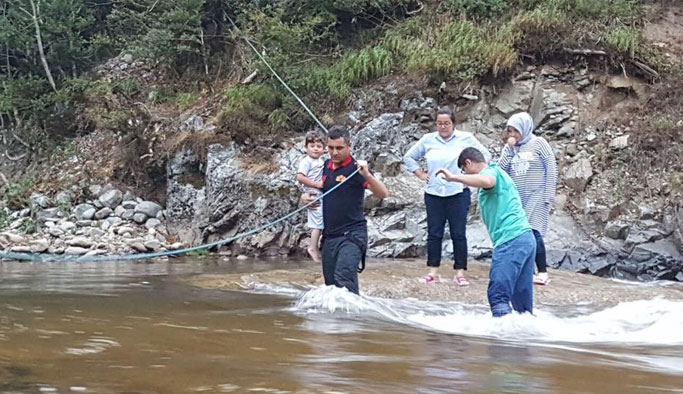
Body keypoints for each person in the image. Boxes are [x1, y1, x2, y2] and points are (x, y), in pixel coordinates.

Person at [436, 147, 535, 317]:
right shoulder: (501, 173)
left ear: (468, 163)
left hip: (510, 240)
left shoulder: (491, 172)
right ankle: (526, 338)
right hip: (526, 238)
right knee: (522, 306)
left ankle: (500, 339)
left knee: (498, 296)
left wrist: (454, 178)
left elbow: (487, 181)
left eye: (464, 170)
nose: (466, 176)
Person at [403, 107, 491, 285]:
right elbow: (409, 157)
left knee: (458, 233)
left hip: (458, 192)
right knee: (434, 233)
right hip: (434, 192)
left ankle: (460, 273)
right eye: (439, 123)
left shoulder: (465, 139)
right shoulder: (428, 140)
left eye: (446, 123)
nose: (443, 127)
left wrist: (471, 177)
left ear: (453, 124)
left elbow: (486, 156)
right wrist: (420, 174)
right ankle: (432, 272)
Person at [302, 126, 389, 295]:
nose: (334, 152)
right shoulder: (325, 166)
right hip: (329, 236)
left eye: (339, 148)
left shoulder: (356, 170)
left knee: (344, 278)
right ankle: (338, 321)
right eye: (331, 148)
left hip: (352, 235)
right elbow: (311, 190)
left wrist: (367, 175)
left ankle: (352, 318)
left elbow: (383, 194)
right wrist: (304, 198)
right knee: (331, 287)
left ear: (349, 146)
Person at [498, 112, 557, 285]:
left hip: (537, 196)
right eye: (510, 131)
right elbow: (501, 171)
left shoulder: (539, 143)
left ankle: (543, 272)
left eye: (516, 131)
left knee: (534, 232)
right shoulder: (510, 149)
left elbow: (551, 168)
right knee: (522, 234)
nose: (513, 135)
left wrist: (549, 195)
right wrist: (509, 149)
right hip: (518, 199)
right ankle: (528, 272)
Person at [296, 129, 327, 263]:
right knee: (318, 224)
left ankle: (318, 247)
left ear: (324, 149)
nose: (315, 149)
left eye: (319, 146)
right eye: (312, 146)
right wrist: (316, 185)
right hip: (313, 194)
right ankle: (312, 247)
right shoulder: (306, 161)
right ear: (306, 148)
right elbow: (300, 178)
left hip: (321, 194)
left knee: (322, 222)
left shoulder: (322, 161)